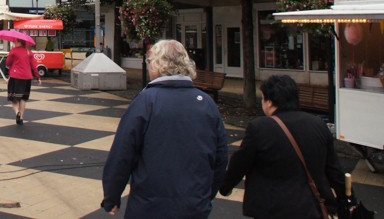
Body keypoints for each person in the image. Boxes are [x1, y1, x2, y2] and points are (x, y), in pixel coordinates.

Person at [101, 39, 227, 218]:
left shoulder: (145, 101)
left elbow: (123, 152)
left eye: (150, 61)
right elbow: (220, 156)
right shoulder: (206, 103)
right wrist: (206, 195)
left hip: (149, 206)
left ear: (157, 65)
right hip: (194, 205)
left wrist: (111, 196)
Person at [219, 75, 345, 218]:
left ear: (269, 103)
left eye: (263, 99)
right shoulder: (318, 124)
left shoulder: (260, 127)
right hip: (312, 207)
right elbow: (333, 168)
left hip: (273, 208)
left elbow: (240, 163)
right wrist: (345, 198)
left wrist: (225, 186)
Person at [5, 37, 41, 125]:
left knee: (14, 98)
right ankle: (21, 117)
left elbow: (7, 63)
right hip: (27, 78)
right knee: (23, 98)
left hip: (15, 76)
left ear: (18, 42)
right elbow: (33, 66)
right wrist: (38, 77)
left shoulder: (14, 51)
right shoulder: (29, 52)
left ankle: (17, 112)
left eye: (15, 41)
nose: (14, 42)